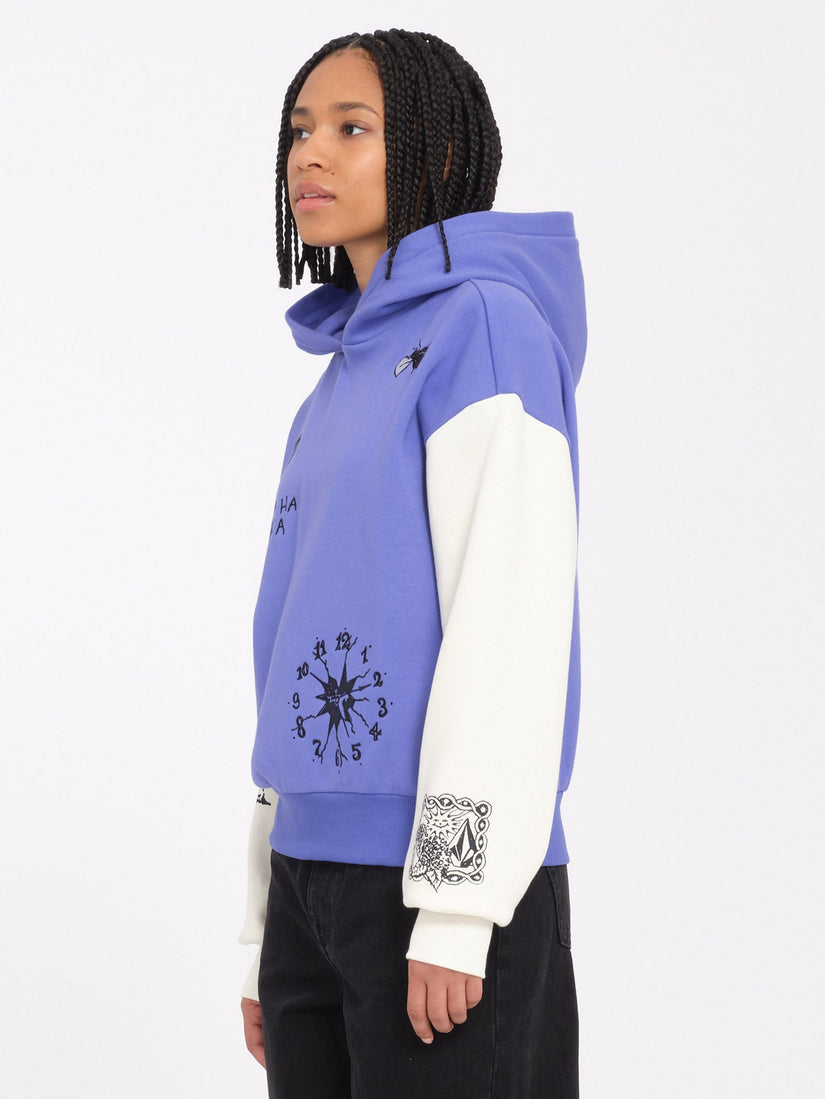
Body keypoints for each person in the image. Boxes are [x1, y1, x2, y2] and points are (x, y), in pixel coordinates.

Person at [238, 28, 586, 1098]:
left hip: (433, 890)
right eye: (301, 129)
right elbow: (286, 642)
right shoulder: (335, 380)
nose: (310, 153)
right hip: (308, 882)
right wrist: (264, 918)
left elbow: (509, 616)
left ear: (436, 153)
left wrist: (458, 904)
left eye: (352, 128)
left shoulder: (487, 329)